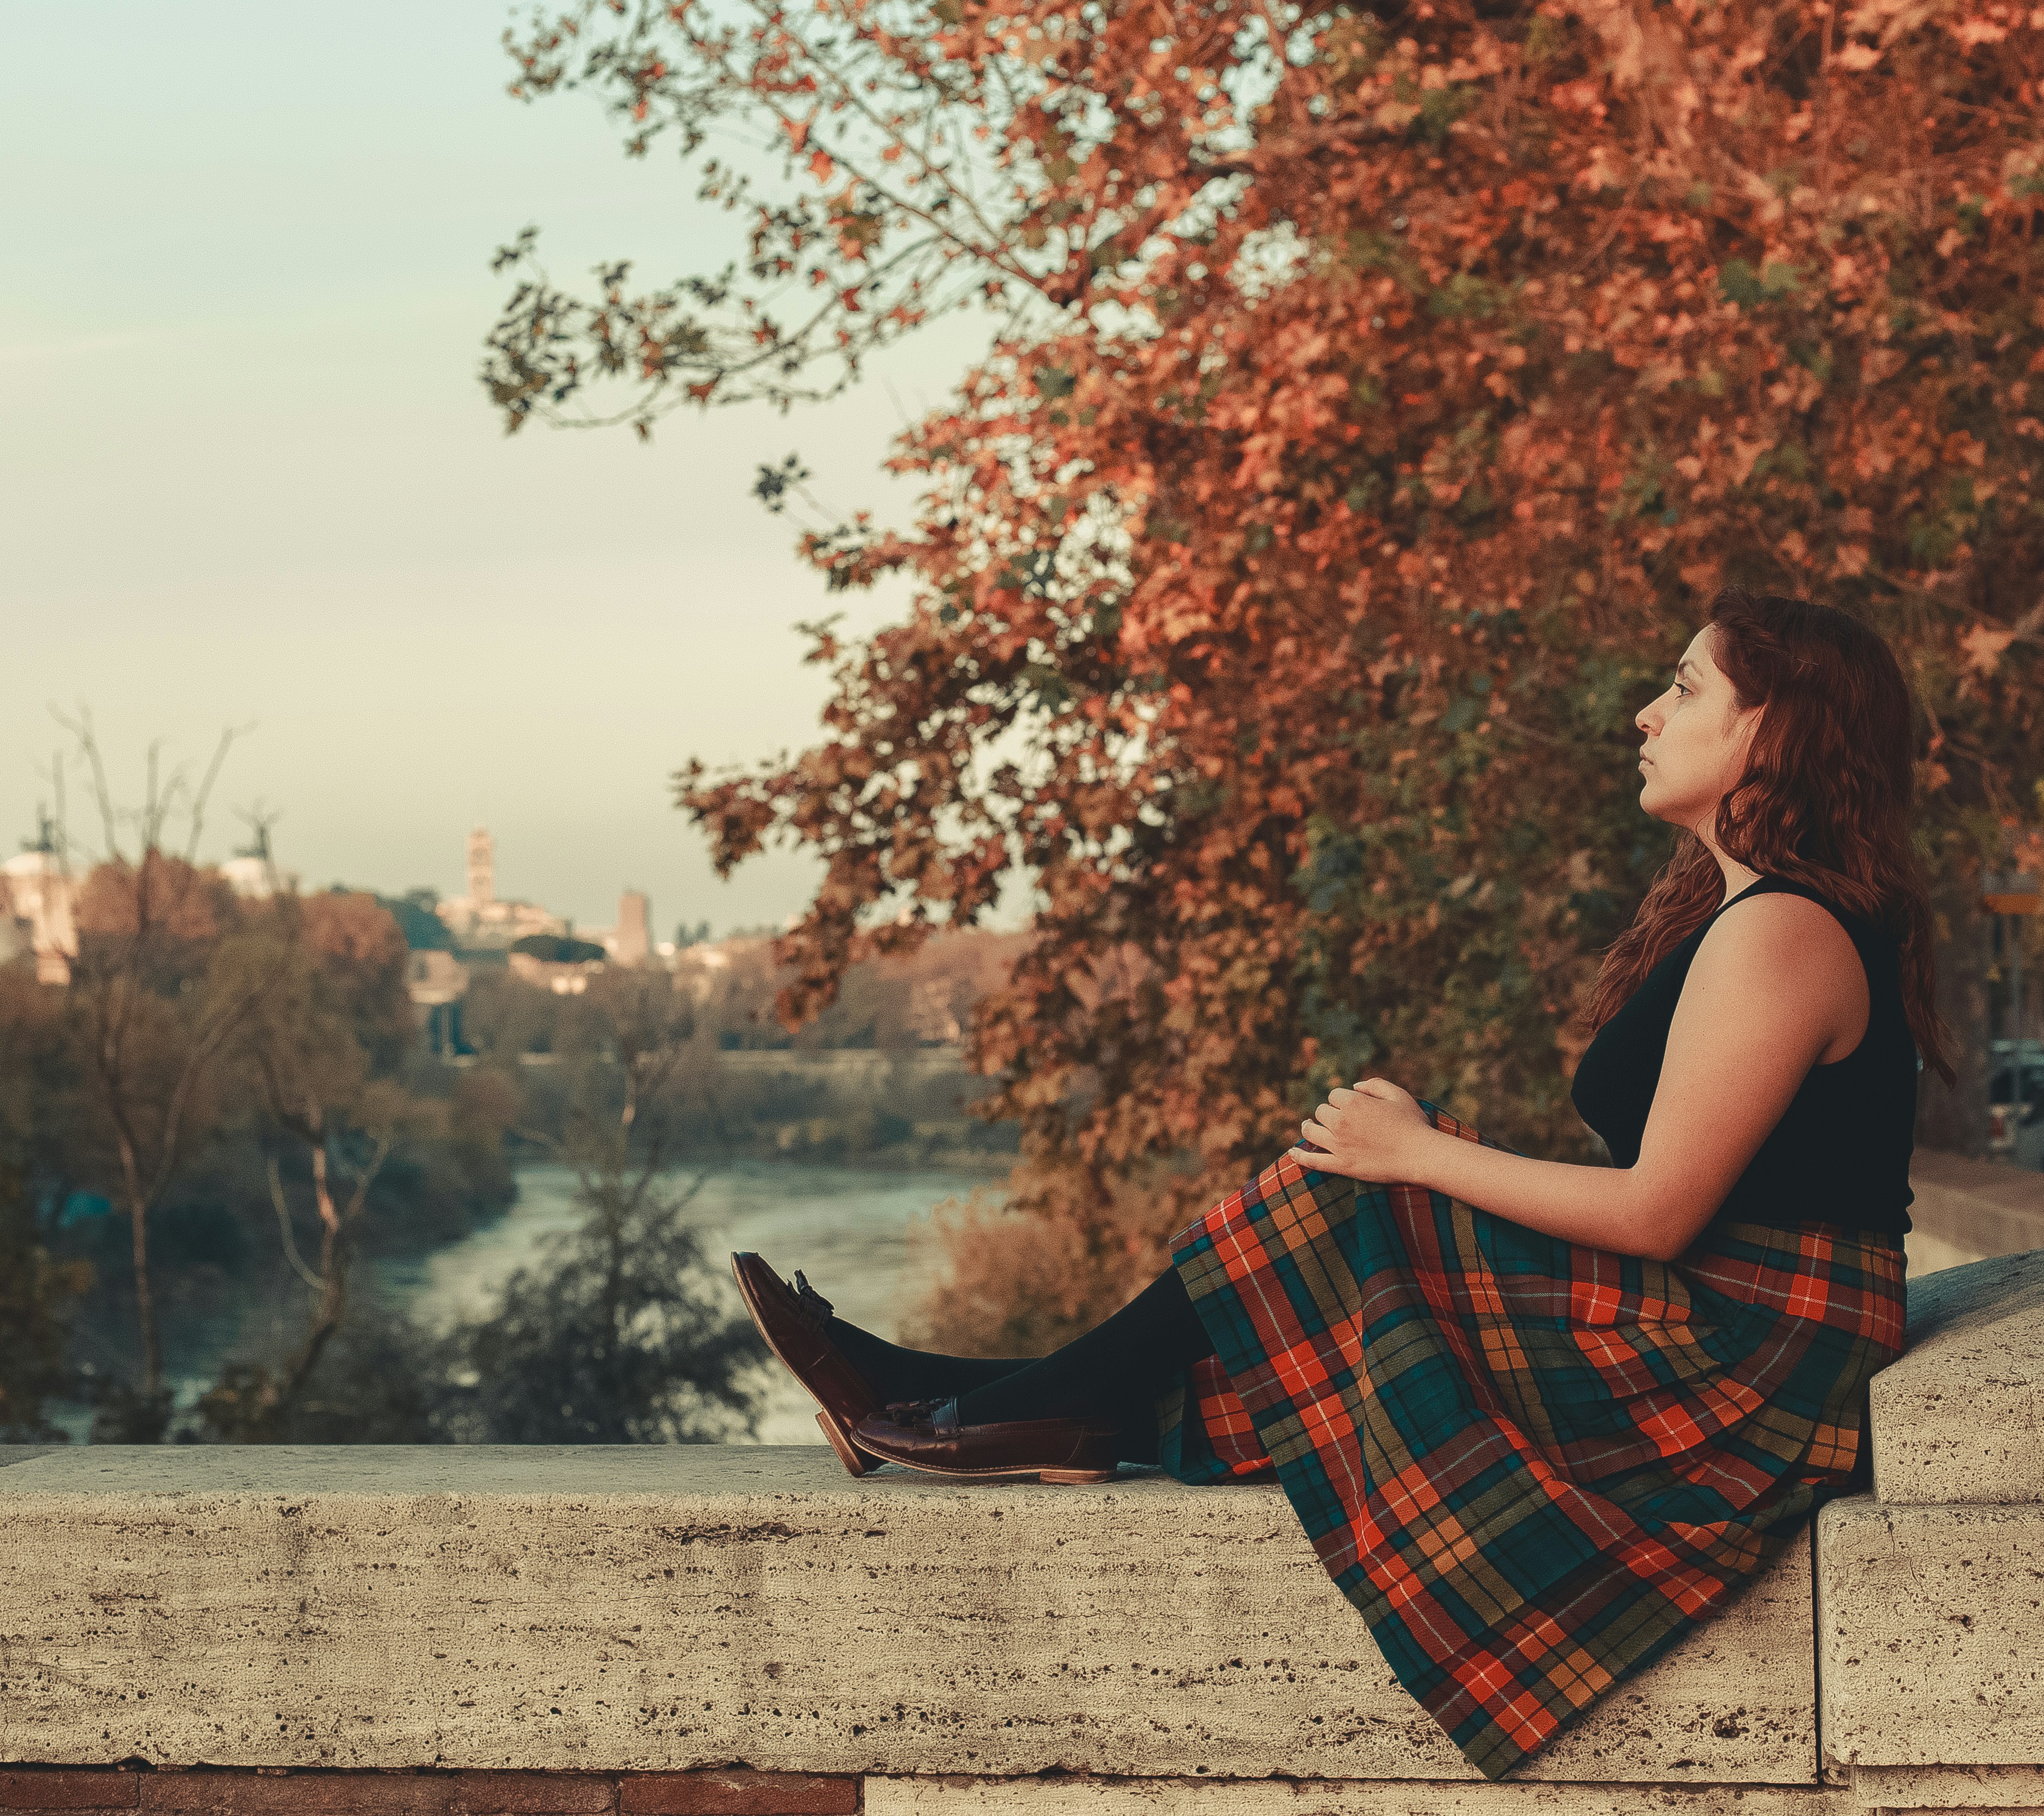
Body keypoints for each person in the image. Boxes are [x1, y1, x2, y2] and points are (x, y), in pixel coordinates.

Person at [733, 587, 1947, 1779]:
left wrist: (1419, 1155)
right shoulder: (1736, 916)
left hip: (1755, 1357)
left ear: (1771, 729)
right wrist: (1419, 1160)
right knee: (1352, 1244)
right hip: (1728, 1317)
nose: (1645, 713)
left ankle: (993, 1407)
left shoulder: (1786, 931)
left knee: (1357, 1198)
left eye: (1684, 688)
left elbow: (1657, 1210)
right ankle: (972, 1398)